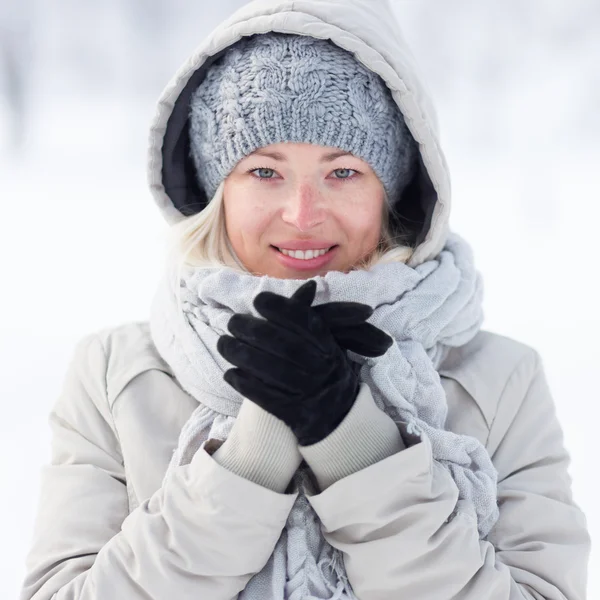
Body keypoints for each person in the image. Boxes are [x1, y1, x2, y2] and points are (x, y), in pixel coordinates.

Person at [19, 1, 591, 599]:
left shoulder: (500, 382)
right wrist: (257, 445)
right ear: (219, 192)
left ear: (390, 192)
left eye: (342, 172)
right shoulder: (115, 376)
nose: (303, 215)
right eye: (265, 172)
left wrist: (358, 444)